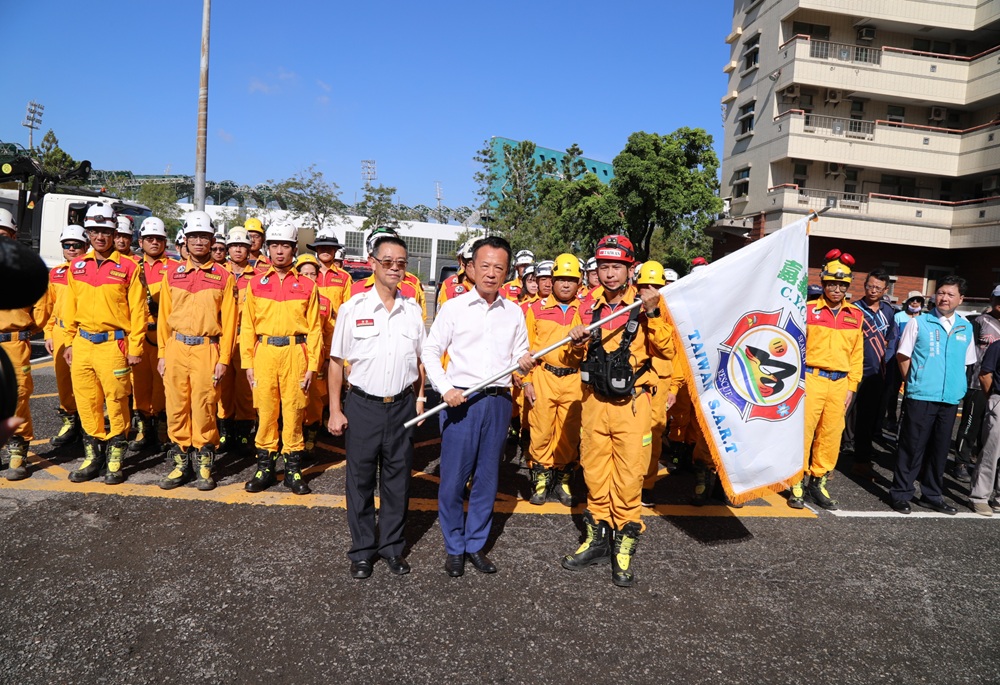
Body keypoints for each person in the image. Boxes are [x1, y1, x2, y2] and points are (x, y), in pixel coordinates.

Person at [561, 234, 674, 588]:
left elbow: (667, 351)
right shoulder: (586, 306)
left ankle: (623, 544)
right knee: (594, 473)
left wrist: (653, 313)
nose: (610, 274)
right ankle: (596, 539)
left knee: (628, 477)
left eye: (617, 267)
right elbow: (572, 358)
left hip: (633, 405)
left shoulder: (648, 303)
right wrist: (575, 342)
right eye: (604, 266)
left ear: (630, 269)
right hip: (595, 403)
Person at [422, 236, 534, 578]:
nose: (490, 273)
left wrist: (524, 364)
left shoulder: (514, 312)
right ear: (471, 267)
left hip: (498, 402)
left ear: (506, 271)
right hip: (462, 401)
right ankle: (454, 546)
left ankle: (475, 545)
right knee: (453, 480)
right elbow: (430, 351)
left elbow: (519, 354)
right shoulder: (455, 307)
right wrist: (445, 389)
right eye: (484, 266)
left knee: (487, 479)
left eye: (498, 267)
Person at [328, 234, 426, 579]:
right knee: (360, 481)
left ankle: (393, 548)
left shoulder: (412, 310)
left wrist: (419, 397)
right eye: (388, 262)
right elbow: (336, 362)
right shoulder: (352, 309)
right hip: (363, 406)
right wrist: (335, 410)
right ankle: (363, 551)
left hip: (401, 406)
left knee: (398, 482)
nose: (395, 269)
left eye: (401, 263)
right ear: (372, 263)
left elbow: (421, 360)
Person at [61, 202, 147, 485]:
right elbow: (69, 307)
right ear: (88, 233)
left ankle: (114, 458)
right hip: (83, 343)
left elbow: (138, 311)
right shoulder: (77, 266)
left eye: (105, 231)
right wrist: (69, 342)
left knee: (117, 401)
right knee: (86, 402)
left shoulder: (129, 268)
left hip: (114, 345)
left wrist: (135, 348)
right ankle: (92, 456)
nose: (100, 236)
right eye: (95, 231)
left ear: (114, 233)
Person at [156, 212, 237, 490]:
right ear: (186, 240)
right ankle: (180, 464)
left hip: (207, 350)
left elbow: (230, 322)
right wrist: (162, 355)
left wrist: (224, 359)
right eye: (194, 236)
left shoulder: (223, 277)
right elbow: (163, 318)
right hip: (176, 348)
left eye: (204, 236)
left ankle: (204, 463)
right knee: (176, 406)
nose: (199, 241)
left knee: (204, 406)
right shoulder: (172, 274)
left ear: (212, 240)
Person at [241, 221, 322, 495]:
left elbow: (314, 329)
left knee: (294, 411)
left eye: (284, 246)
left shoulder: (308, 286)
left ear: (293, 249)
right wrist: (248, 363)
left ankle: (293, 470)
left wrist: (313, 366)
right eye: (274, 245)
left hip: (295, 354)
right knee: (265, 411)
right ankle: (264, 467)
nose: (279, 251)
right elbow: (248, 326)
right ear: (267, 248)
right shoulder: (255, 283)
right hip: (264, 353)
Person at [889, 276, 977, 514]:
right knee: (912, 447)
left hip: (949, 399)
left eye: (950, 294)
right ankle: (901, 492)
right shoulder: (919, 323)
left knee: (939, 451)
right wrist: (914, 382)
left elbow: (967, 363)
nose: (944, 298)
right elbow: (903, 356)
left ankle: (931, 494)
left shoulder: (965, 327)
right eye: (940, 293)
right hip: (921, 396)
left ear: (961, 299)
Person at [788, 250, 863, 510]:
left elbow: (857, 356)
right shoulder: (807, 310)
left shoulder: (856, 315)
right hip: (812, 378)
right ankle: (796, 482)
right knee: (804, 434)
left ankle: (818, 481)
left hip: (840, 384)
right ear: (823, 282)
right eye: (832, 283)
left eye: (841, 285)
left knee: (831, 435)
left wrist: (851, 387)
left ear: (847, 287)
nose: (836, 289)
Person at [522, 253, 585, 506]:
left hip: (574, 379)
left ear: (579, 282)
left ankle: (563, 479)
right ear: (552, 280)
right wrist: (526, 380)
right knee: (541, 430)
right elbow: (524, 348)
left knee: (568, 434)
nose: (566, 284)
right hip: (544, 376)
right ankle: (540, 478)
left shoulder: (588, 311)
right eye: (561, 279)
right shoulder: (535, 309)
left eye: (571, 280)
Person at [0, 210, 51, 479]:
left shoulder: (25, 269)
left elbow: (41, 309)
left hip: (13, 343)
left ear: (13, 236)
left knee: (17, 396)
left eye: (3, 234)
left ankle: (18, 447)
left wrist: (24, 330)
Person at [842, 268, 898, 479]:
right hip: (851, 371)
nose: (873, 290)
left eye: (878, 287)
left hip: (876, 373)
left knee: (867, 417)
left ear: (885, 289)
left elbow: (891, 339)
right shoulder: (853, 309)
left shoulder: (889, 311)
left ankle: (862, 459)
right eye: (869, 286)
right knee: (840, 415)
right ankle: (829, 458)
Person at [129, 216, 174, 452]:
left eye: (158, 239)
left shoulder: (176, 268)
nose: (154, 242)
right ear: (141, 240)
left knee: (164, 385)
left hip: (165, 337)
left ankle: (163, 429)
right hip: (139, 335)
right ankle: (145, 429)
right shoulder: (131, 267)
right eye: (149, 239)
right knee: (140, 385)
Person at [43, 225, 89, 448]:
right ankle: (70, 420)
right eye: (67, 245)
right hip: (60, 331)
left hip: (84, 332)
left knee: (87, 381)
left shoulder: (89, 271)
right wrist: (49, 332)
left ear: (86, 246)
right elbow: (50, 306)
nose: (71, 249)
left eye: (76, 245)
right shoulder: (56, 273)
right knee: (63, 380)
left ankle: (88, 424)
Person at [952, 287, 1000, 481]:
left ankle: (981, 464)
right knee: (971, 424)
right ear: (991, 298)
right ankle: (960, 462)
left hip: (997, 386)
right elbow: (966, 350)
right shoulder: (979, 322)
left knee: (989, 431)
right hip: (977, 382)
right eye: (998, 298)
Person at [216, 228, 257, 453]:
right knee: (223, 387)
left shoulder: (259, 276)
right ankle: (225, 431)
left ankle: (243, 434)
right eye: (234, 246)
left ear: (249, 249)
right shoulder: (219, 273)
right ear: (228, 249)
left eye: (242, 246)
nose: (238, 249)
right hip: (223, 335)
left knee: (244, 388)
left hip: (246, 337)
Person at [295, 253, 334, 455]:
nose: (309, 278)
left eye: (313, 274)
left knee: (315, 398)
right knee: (295, 396)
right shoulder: (292, 297)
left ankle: (311, 434)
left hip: (317, 358)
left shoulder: (326, 302)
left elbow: (328, 333)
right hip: (295, 355)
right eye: (305, 274)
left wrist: (327, 359)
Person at [348, 227, 427, 319]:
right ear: (372, 260)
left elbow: (419, 321)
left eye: (400, 262)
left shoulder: (412, 287)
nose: (394, 267)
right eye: (387, 261)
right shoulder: (356, 288)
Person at [883, 291, 925, 433]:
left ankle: (906, 419)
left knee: (911, 391)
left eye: (918, 301)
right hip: (898, 359)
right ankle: (891, 418)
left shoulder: (925, 319)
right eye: (912, 300)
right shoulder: (899, 317)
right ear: (907, 302)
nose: (915, 303)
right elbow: (893, 339)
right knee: (893, 390)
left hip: (917, 361)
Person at [968, 338, 1000, 516]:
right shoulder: (998, 346)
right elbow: (985, 374)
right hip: (998, 399)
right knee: (991, 452)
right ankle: (979, 497)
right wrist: (993, 401)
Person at [309, 228, 353, 318]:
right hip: (311, 329)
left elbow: (349, 307)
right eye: (322, 247)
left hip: (335, 329)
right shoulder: (306, 274)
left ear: (335, 250)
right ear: (316, 249)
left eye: (329, 248)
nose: (325, 251)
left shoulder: (345, 277)